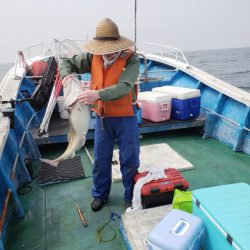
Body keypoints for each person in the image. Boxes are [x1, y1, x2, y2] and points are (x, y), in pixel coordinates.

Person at [59, 18, 140, 211]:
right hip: (102, 119)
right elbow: (65, 62)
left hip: (125, 117)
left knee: (129, 160)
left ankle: (130, 196)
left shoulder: (131, 59)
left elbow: (124, 87)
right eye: (103, 48)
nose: (107, 52)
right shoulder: (92, 57)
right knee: (101, 158)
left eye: (111, 48)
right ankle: (100, 194)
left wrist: (97, 94)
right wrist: (66, 76)